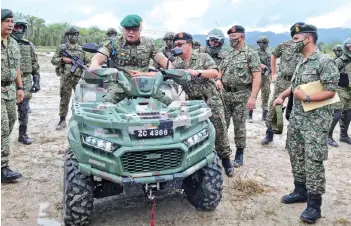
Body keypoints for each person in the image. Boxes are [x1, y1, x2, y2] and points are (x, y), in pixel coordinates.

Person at [273, 23, 339, 224]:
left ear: (307, 39)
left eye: (295, 39)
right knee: (296, 154)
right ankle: (300, 190)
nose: (292, 43)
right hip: (298, 120)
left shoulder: (324, 62)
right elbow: (295, 87)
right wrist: (282, 96)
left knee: (313, 161)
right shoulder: (302, 62)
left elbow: (331, 91)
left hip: (315, 123)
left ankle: (314, 204)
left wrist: (307, 98)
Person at [171, 32, 234, 177]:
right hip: (192, 102)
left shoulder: (203, 57)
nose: (177, 48)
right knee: (194, 132)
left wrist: (197, 72)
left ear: (190, 45)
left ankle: (226, 160)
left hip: (210, 99)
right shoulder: (176, 64)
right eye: (176, 45)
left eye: (180, 45)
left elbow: (214, 73)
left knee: (219, 130)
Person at [89, 14, 172, 105]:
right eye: (127, 29)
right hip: (120, 85)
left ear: (140, 29)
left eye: (135, 29)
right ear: (123, 29)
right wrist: (94, 66)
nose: (131, 32)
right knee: (106, 105)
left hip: (145, 85)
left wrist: (172, 70)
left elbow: (164, 60)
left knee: (170, 105)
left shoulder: (149, 43)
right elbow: (98, 57)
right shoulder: (114, 43)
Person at [218, 25, 261, 168]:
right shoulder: (227, 54)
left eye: (233, 38)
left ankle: (239, 152)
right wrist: (218, 79)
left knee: (239, 126)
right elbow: (221, 71)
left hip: (242, 95)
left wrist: (253, 97)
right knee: (222, 126)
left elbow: (256, 77)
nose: (231, 40)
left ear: (241, 37)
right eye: (230, 38)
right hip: (225, 95)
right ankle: (222, 153)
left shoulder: (251, 54)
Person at [261, 31, 301, 145]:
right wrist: (273, 73)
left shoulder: (307, 47)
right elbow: (273, 55)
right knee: (276, 106)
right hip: (283, 80)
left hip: (299, 81)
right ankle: (270, 133)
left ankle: (292, 138)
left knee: (296, 108)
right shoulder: (284, 45)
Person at [1, 9, 25, 183]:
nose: (10, 24)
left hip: (9, 89)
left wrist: (20, 87)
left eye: (12, 21)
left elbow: (17, 67)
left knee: (10, 121)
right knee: (2, 127)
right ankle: (3, 168)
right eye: (6, 21)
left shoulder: (14, 43)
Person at [51, 26, 90, 130]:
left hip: (78, 78)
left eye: (75, 34)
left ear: (77, 36)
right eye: (70, 34)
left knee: (81, 100)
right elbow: (53, 60)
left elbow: (89, 63)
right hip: (65, 78)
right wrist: (63, 60)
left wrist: (87, 68)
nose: (73, 36)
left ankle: (81, 121)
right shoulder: (62, 48)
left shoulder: (82, 49)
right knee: (64, 99)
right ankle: (62, 121)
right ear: (67, 36)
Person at [11, 15, 40, 145]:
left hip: (26, 81)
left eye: (21, 27)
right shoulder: (5, 43)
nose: (18, 30)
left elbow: (35, 64)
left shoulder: (29, 45)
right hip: (8, 82)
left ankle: (22, 135)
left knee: (24, 110)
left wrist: (37, 80)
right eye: (16, 27)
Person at [332, 38, 351, 145]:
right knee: (337, 114)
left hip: (349, 91)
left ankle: (343, 135)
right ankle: (328, 136)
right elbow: (330, 74)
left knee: (348, 114)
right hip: (340, 90)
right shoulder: (340, 61)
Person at [248, 36, 271, 122]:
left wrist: (267, 69)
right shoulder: (254, 54)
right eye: (262, 43)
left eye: (266, 43)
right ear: (259, 44)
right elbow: (249, 65)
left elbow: (271, 67)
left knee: (266, 95)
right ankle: (249, 115)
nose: (264, 45)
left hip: (265, 78)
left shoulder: (269, 54)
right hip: (256, 77)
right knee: (253, 95)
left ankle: (264, 115)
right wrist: (259, 65)